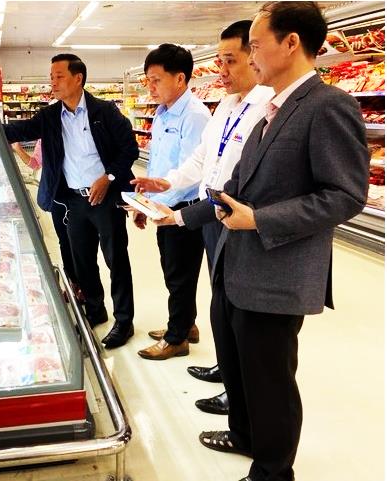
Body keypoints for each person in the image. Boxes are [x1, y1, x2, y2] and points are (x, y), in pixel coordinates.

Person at [148, 3, 369, 480]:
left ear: (291, 43)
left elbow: (346, 195)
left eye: (254, 46)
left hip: (277, 273)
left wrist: (262, 220)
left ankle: (272, 470)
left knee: (270, 380)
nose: (249, 57)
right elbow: (234, 189)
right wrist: (179, 217)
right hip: (238, 264)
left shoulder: (328, 105)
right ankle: (245, 435)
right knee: (241, 366)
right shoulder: (271, 109)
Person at [131, 21, 275, 414]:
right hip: (210, 213)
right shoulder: (227, 105)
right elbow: (203, 159)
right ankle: (227, 368)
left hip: (239, 220)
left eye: (230, 60)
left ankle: (238, 389)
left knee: (239, 306)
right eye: (219, 61)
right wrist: (167, 182)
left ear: (256, 56)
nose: (220, 70)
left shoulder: (268, 107)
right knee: (221, 298)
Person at [0, 54, 139, 348]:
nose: (53, 82)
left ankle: (124, 322)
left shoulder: (105, 111)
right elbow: (17, 130)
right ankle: (95, 310)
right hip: (74, 201)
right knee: (82, 261)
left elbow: (129, 149)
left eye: (59, 76)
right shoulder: (50, 116)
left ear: (78, 79)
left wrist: (108, 177)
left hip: (106, 198)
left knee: (116, 260)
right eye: (51, 76)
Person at [131, 44, 211, 361]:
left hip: (184, 209)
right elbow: (158, 165)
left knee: (180, 276)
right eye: (147, 80)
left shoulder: (195, 116)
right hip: (163, 207)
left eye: (156, 80)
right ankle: (186, 324)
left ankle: (177, 338)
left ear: (180, 78)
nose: (150, 87)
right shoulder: (163, 112)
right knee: (173, 271)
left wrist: (160, 206)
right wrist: (146, 203)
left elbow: (193, 170)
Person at [10, 140, 84, 302]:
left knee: (80, 244)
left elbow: (35, 164)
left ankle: (83, 287)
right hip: (60, 198)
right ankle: (74, 284)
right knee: (66, 242)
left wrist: (17, 148)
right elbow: (35, 164)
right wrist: (17, 147)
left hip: (80, 196)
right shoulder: (44, 139)